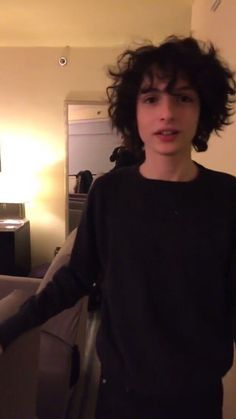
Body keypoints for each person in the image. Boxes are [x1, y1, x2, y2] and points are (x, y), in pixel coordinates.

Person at [0, 35, 236, 419]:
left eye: (183, 97)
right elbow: (74, 279)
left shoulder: (227, 198)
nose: (166, 113)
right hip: (119, 397)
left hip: (198, 399)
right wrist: (7, 330)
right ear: (134, 111)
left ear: (202, 109)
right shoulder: (110, 193)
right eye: (151, 98)